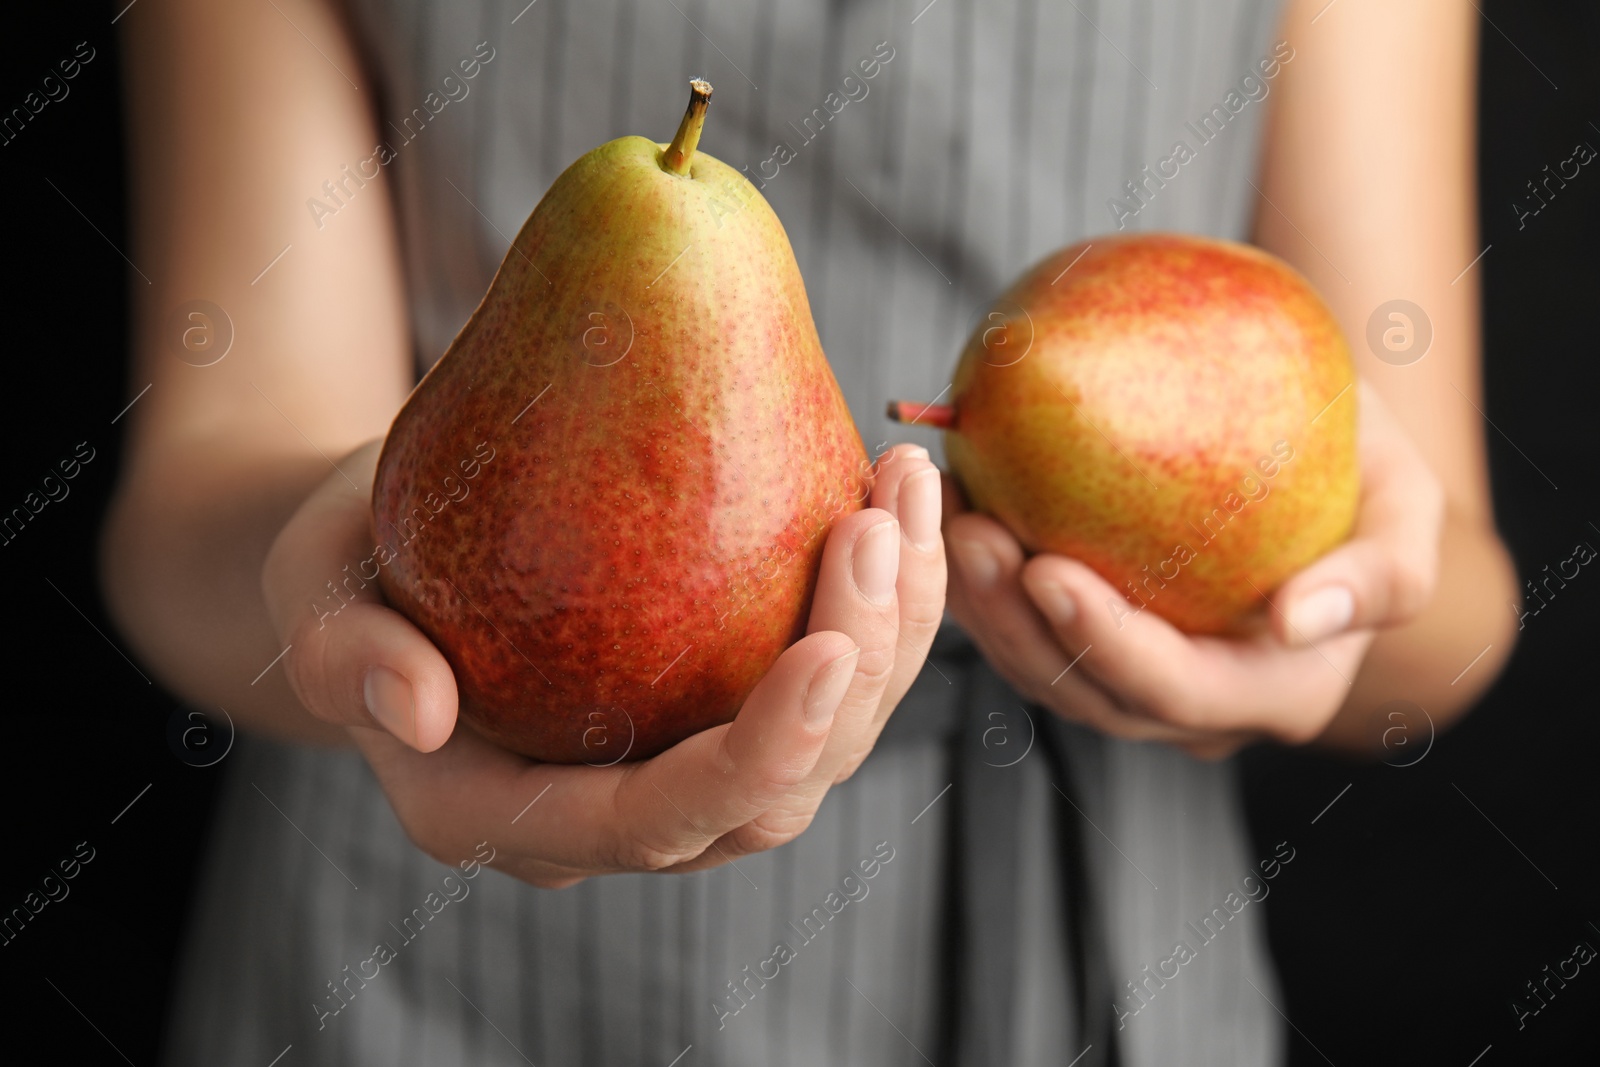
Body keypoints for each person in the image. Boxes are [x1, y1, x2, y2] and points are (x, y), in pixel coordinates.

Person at [104, 0, 1516, 1064]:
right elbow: (189, 509)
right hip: (422, 942)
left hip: (1098, 946)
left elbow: (1449, 597)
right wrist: (325, 581)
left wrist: (1322, 623)